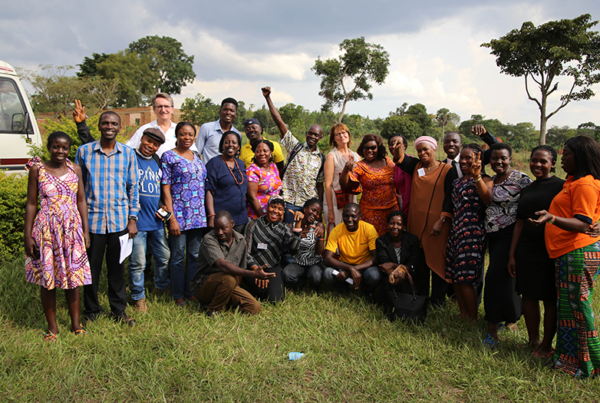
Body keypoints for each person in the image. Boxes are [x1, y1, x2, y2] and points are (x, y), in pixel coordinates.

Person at [530, 136, 600, 378]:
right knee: (568, 310)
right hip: (567, 252)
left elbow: (583, 223)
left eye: (567, 154)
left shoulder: (584, 185)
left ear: (579, 156)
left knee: (578, 308)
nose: (562, 159)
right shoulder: (574, 182)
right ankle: (567, 360)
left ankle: (590, 364)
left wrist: (552, 218)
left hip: (578, 252)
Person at [24, 132, 91, 340]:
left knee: (73, 278)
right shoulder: (38, 170)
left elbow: (81, 201)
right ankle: (52, 327)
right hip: (45, 231)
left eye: (64, 148)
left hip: (72, 230)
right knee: (48, 279)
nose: (60, 151)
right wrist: (27, 236)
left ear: (69, 149)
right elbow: (31, 203)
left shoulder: (75, 169)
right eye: (55, 147)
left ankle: (76, 324)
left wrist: (86, 231)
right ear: (49, 147)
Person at [76, 112, 139, 326]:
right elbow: (79, 190)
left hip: (119, 222)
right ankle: (91, 310)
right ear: (99, 126)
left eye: (113, 123)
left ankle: (118, 311)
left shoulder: (128, 154)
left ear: (120, 127)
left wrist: (132, 218)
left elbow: (133, 188)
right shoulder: (84, 152)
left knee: (116, 270)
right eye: (105, 123)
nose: (109, 126)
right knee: (90, 269)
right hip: (92, 222)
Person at [507, 145, 564, 358]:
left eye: (543, 161)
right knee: (529, 296)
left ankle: (547, 344)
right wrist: (512, 255)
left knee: (549, 299)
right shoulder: (528, 189)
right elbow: (519, 224)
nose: (537, 165)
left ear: (553, 164)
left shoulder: (562, 187)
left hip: (550, 250)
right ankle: (534, 340)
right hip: (527, 249)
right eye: (534, 160)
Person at [392, 136, 457, 306]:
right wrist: (399, 145)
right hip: (417, 223)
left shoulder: (447, 170)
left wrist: (442, 219)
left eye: (425, 149)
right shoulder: (416, 167)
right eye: (419, 150)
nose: (422, 153)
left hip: (438, 225)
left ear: (434, 149)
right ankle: (421, 297)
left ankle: (438, 300)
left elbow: (451, 197)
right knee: (419, 262)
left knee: (437, 261)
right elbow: (400, 159)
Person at [481, 142, 532, 350]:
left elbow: (532, 204)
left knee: (493, 279)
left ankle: (492, 330)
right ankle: (511, 318)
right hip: (493, 236)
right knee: (506, 279)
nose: (499, 162)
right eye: (494, 158)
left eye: (503, 158)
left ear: (510, 158)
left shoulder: (521, 179)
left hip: (512, 235)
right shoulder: (491, 180)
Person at [190, 211, 276, 317]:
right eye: (216, 229)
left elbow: (240, 272)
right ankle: (213, 310)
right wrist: (253, 273)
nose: (219, 232)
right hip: (204, 285)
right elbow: (223, 266)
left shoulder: (241, 240)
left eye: (223, 228)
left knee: (254, 307)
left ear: (232, 224)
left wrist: (236, 292)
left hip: (227, 285)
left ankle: (224, 306)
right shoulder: (209, 239)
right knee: (228, 278)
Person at [262, 87, 325, 223]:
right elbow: (279, 122)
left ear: (320, 137)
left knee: (305, 240)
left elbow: (320, 185)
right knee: (286, 238)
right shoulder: (295, 147)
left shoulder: (322, 159)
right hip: (288, 202)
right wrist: (268, 98)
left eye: (316, 135)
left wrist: (319, 210)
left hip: (308, 207)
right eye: (310, 133)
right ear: (306, 133)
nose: (312, 136)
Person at [161, 122, 207, 306]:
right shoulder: (169, 157)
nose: (186, 137)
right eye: (182, 134)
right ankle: (178, 294)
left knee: (195, 256)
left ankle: (191, 291)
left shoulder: (197, 157)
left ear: (194, 136)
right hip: (178, 216)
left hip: (198, 216)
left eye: (190, 134)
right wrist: (171, 218)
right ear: (176, 136)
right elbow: (166, 188)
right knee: (178, 256)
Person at [127, 127, 171, 313]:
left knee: (164, 257)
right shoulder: (129, 158)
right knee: (138, 262)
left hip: (156, 222)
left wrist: (164, 207)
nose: (150, 146)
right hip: (137, 222)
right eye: (148, 141)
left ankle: (160, 287)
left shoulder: (157, 161)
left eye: (155, 144)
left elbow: (161, 188)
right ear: (141, 139)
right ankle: (138, 297)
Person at [445, 144, 491, 322]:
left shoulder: (485, 179)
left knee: (465, 278)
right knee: (455, 277)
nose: (463, 161)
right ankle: (463, 313)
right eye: (461, 158)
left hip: (472, 234)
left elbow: (487, 200)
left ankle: (472, 317)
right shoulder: (457, 181)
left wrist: (477, 176)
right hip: (456, 231)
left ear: (478, 159)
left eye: (468, 158)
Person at [243, 198, 302, 302]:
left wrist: (297, 225)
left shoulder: (284, 228)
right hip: (254, 267)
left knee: (276, 299)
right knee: (259, 290)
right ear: (267, 207)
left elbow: (294, 250)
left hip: (272, 267)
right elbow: (245, 252)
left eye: (280, 209)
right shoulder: (253, 224)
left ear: (283, 212)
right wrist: (256, 270)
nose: (275, 211)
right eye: (273, 207)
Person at [340, 134, 399, 237]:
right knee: (372, 242)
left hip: (392, 210)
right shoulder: (360, 166)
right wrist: (346, 170)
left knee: (392, 240)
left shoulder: (388, 161)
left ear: (379, 148)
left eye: (373, 148)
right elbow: (344, 184)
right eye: (366, 148)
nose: (369, 150)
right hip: (370, 213)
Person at [322, 203, 381, 295]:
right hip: (344, 265)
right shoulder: (337, 230)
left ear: (360, 217)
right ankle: (343, 289)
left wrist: (353, 269)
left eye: (353, 216)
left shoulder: (369, 229)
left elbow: (376, 258)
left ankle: (366, 291)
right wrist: (349, 268)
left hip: (365, 266)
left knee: (374, 276)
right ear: (342, 216)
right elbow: (327, 258)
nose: (350, 220)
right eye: (346, 216)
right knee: (328, 273)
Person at [376, 211, 423, 320]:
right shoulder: (381, 241)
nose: (395, 227)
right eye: (392, 223)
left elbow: (413, 262)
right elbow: (384, 264)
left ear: (404, 226)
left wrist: (399, 269)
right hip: (390, 277)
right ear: (387, 225)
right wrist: (395, 274)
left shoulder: (412, 240)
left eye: (399, 224)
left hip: (409, 274)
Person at [126, 93, 198, 156]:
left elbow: (193, 153)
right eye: (159, 106)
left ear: (172, 109)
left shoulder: (180, 129)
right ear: (154, 110)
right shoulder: (144, 129)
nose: (163, 110)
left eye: (166, 106)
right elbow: (128, 151)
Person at [205, 131, 248, 232]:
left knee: (238, 246)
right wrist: (211, 215)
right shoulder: (214, 163)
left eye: (234, 142)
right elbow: (208, 191)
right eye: (227, 142)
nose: (230, 145)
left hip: (240, 218)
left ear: (238, 146)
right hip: (221, 218)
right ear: (222, 145)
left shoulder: (240, 164)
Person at [281, 198, 326, 289]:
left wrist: (320, 237)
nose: (315, 214)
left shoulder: (319, 226)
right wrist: (297, 236)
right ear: (305, 209)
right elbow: (292, 252)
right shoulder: (291, 226)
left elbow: (319, 252)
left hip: (315, 262)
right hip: (298, 263)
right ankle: (301, 283)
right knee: (286, 274)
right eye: (313, 210)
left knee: (316, 277)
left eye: (318, 213)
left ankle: (311, 280)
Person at [323, 123, 360, 231]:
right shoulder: (331, 156)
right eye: (337, 134)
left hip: (351, 200)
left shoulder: (356, 156)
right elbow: (328, 185)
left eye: (344, 132)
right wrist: (330, 210)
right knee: (335, 235)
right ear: (334, 139)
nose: (341, 135)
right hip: (335, 202)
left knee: (350, 235)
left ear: (348, 134)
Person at [246, 139, 282, 219]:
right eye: (258, 151)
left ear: (270, 153)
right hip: (259, 215)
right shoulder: (252, 170)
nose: (262, 153)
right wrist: (264, 218)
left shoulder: (273, 167)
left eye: (265, 151)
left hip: (274, 214)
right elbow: (252, 197)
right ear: (255, 153)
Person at [195, 97, 240, 162]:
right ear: (220, 111)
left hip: (228, 171)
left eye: (231, 110)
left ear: (235, 114)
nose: (228, 112)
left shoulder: (237, 135)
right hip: (209, 171)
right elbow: (197, 153)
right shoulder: (206, 128)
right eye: (225, 109)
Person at [388, 134, 411, 217]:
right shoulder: (395, 165)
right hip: (401, 204)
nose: (394, 146)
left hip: (410, 206)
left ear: (404, 146)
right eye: (391, 144)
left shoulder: (409, 163)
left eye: (397, 143)